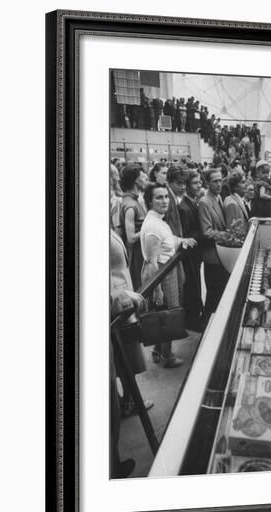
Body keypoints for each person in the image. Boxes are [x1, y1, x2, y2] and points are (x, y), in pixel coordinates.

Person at [110, 229, 153, 477]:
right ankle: (110, 468)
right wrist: (124, 297)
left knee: (127, 360)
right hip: (116, 311)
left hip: (122, 306)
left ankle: (126, 401)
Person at [140, 183, 197, 368]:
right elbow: (151, 262)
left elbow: (168, 240)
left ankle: (158, 350)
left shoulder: (158, 221)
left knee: (161, 314)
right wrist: (157, 290)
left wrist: (182, 240)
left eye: (166, 197)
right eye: (158, 197)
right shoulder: (153, 226)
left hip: (165, 272)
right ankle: (167, 356)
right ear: (149, 201)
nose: (164, 201)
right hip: (161, 274)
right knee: (168, 315)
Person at [198, 169, 230, 319]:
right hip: (212, 256)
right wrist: (228, 235)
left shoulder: (219, 198)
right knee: (213, 293)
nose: (219, 184)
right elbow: (206, 231)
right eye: (215, 181)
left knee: (219, 292)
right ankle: (206, 322)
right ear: (207, 183)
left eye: (220, 180)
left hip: (221, 253)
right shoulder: (205, 202)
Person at [178, 170, 204, 331]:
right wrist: (203, 234)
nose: (199, 185)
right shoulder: (184, 207)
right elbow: (186, 234)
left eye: (200, 182)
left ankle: (195, 317)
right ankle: (192, 321)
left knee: (196, 285)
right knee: (192, 286)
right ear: (187, 186)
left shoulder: (192, 202)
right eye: (195, 183)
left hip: (195, 253)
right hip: (189, 255)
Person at [119, 164, 148, 290]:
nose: (147, 179)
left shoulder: (134, 201)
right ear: (136, 180)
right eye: (144, 178)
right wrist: (148, 229)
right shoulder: (130, 205)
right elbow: (130, 238)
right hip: (138, 257)